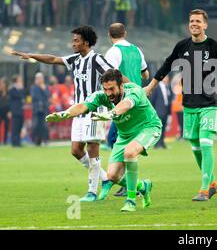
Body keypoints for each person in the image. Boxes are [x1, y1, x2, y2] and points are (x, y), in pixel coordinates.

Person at [143, 9, 217, 201]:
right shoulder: (182, 46)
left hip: (211, 103)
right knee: (195, 146)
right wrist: (150, 87)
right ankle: (213, 184)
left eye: (198, 21)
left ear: (205, 25)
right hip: (189, 104)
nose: (194, 24)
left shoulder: (215, 47)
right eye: (192, 21)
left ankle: (203, 190)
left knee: (206, 143)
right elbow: (166, 66)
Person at [11, 26, 114, 202]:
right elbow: (52, 59)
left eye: (76, 40)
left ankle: (92, 192)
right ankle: (105, 178)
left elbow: (115, 75)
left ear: (86, 42)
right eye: (72, 40)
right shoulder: (75, 59)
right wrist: (32, 55)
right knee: (75, 150)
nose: (73, 43)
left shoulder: (97, 59)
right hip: (77, 111)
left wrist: (133, 90)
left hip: (94, 110)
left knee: (92, 148)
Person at [46, 69, 161, 212]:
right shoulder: (103, 96)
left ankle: (130, 200)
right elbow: (83, 106)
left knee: (130, 153)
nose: (108, 93)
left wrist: (111, 113)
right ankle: (143, 186)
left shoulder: (134, 91)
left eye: (111, 89)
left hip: (147, 128)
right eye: (105, 89)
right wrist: (66, 114)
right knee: (112, 176)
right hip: (125, 135)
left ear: (121, 86)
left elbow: (126, 104)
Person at [104, 22, 149, 196]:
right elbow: (146, 74)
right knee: (123, 141)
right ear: (125, 33)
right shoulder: (137, 50)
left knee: (115, 139)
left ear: (110, 35)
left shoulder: (113, 52)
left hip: (123, 102)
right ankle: (126, 182)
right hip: (137, 100)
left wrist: (125, 82)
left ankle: (128, 184)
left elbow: (109, 74)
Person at [150, 76, 172, 149]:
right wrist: (153, 111)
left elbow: (169, 100)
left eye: (167, 78)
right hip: (158, 111)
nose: (167, 79)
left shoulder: (168, 87)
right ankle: (158, 144)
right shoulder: (156, 87)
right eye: (165, 77)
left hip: (165, 111)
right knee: (158, 129)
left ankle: (162, 143)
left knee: (164, 128)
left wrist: (169, 113)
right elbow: (152, 100)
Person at [30, 72, 50, 146]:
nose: (39, 80)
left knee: (45, 125)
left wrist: (43, 88)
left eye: (40, 78)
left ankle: (45, 140)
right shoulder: (34, 87)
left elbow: (47, 96)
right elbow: (34, 97)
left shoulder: (45, 87)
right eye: (38, 78)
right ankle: (36, 141)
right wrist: (38, 87)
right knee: (36, 125)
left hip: (44, 109)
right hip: (37, 109)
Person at [8, 75, 25, 148]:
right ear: (16, 81)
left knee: (19, 127)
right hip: (15, 111)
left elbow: (23, 97)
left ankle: (18, 142)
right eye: (20, 80)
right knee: (15, 127)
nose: (21, 82)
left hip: (20, 111)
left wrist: (21, 89)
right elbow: (17, 97)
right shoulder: (12, 89)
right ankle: (14, 143)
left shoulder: (20, 89)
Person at [0, 78, 10, 145]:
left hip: (6, 111)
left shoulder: (9, 92)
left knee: (6, 126)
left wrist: (10, 111)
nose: (2, 85)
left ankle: (5, 141)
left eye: (3, 83)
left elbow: (11, 102)